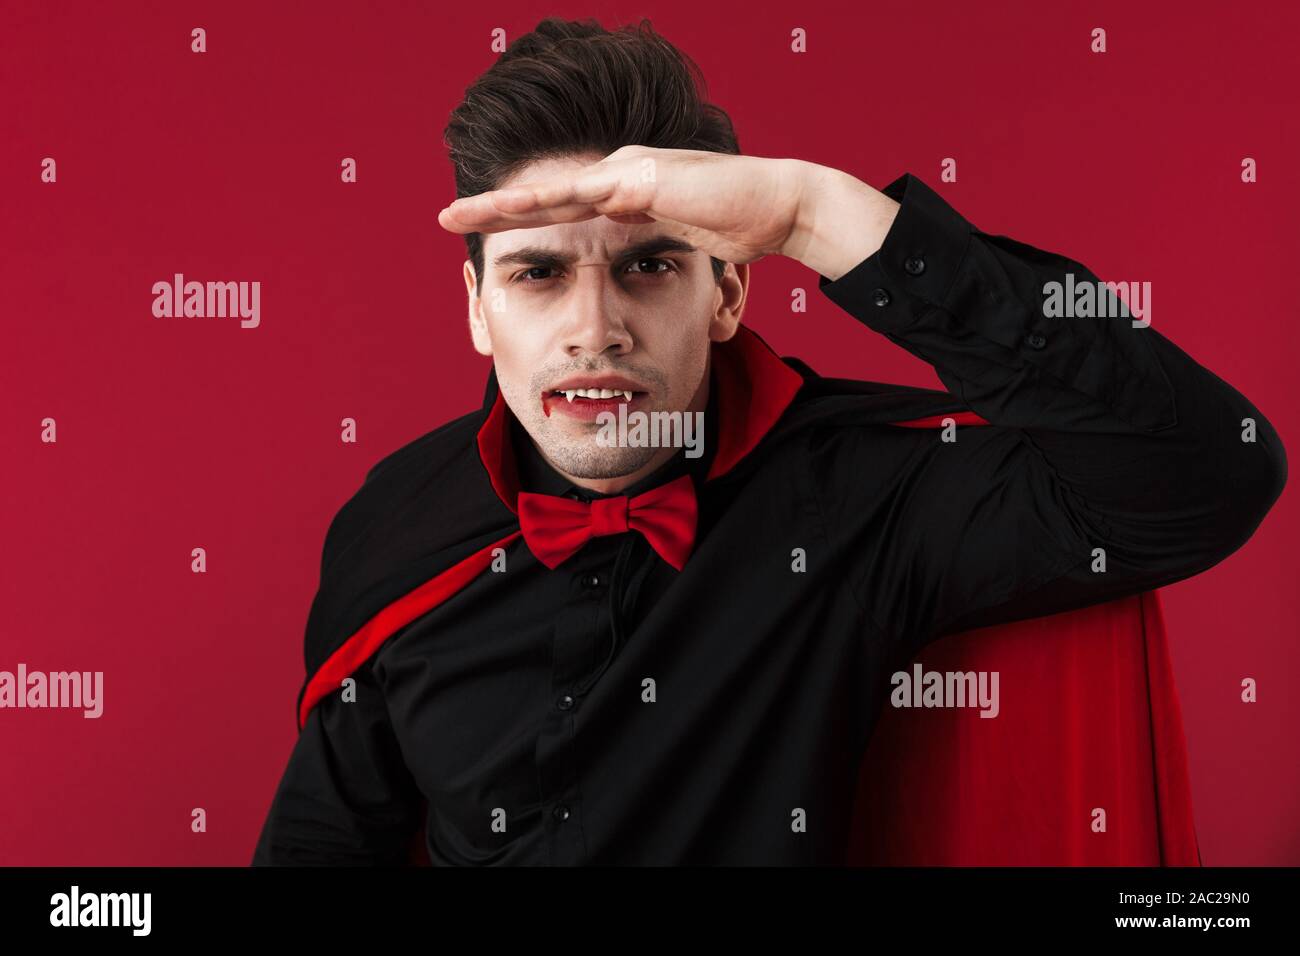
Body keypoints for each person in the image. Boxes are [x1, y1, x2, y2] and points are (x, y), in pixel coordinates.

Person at [251, 17, 1286, 866]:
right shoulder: (393, 521)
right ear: (477, 310)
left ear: (728, 292)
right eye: (537, 274)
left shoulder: (859, 497)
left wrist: (814, 215)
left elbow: (1202, 468)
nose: (595, 326)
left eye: (651, 266)